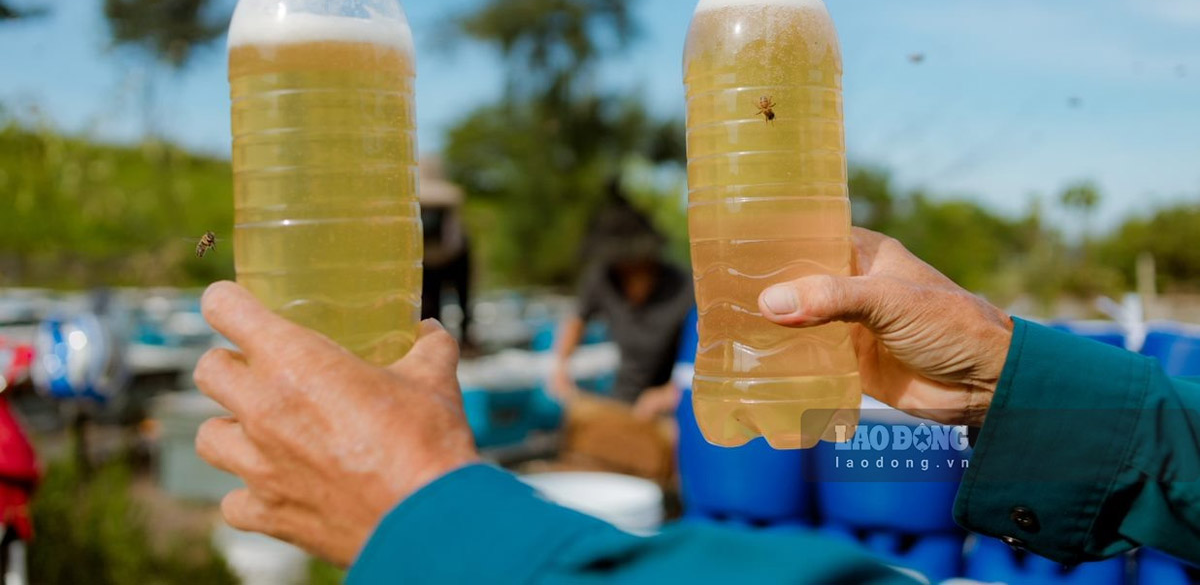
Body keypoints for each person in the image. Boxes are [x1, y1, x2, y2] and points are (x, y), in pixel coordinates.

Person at [193, 228, 1200, 583]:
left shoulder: (670, 289)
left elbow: (686, 343)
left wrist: (428, 519)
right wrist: (994, 375)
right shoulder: (600, 288)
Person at [549, 190, 693, 417]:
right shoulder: (603, 279)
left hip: (676, 405)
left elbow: (708, 357)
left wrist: (670, 392)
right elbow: (577, 319)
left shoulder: (685, 288)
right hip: (625, 396)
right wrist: (560, 368)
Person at [418, 159, 474, 348]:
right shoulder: (449, 199)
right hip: (441, 255)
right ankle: (445, 343)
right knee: (436, 306)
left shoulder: (441, 200)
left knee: (439, 305)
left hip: (442, 254)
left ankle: (443, 342)